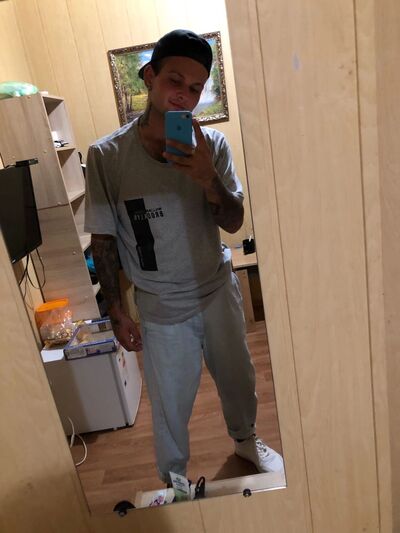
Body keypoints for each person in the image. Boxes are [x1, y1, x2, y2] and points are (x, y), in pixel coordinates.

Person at [84, 29, 283, 484]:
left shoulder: (212, 147)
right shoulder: (107, 156)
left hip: (216, 289)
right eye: (174, 80)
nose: (184, 96)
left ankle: (246, 440)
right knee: (170, 405)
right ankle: (174, 480)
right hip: (160, 306)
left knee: (239, 381)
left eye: (195, 88)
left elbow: (233, 222)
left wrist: (208, 179)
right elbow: (104, 239)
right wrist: (116, 310)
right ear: (149, 76)